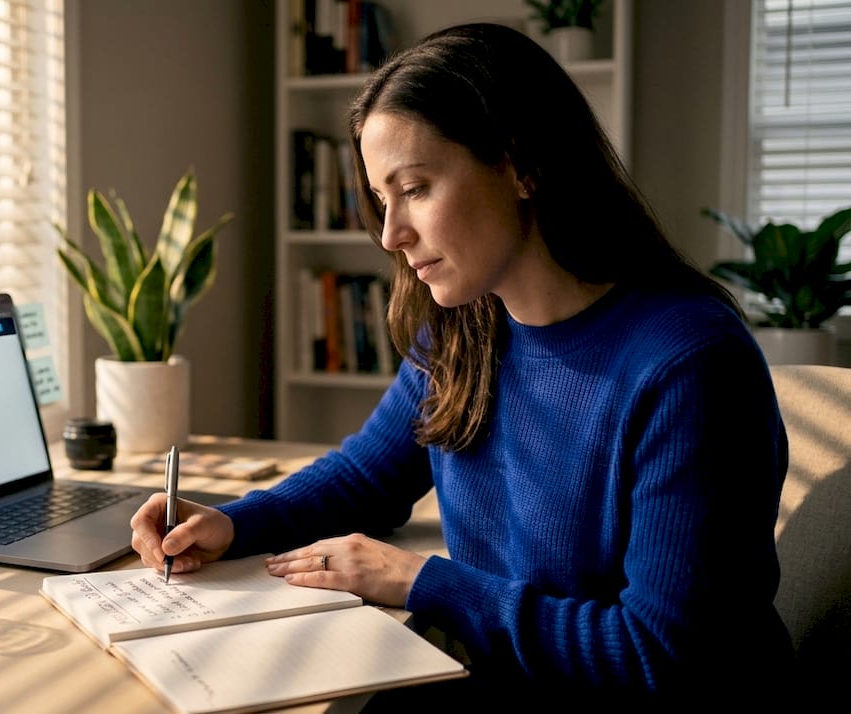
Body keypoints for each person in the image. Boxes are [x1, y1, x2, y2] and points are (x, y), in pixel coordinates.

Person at [131, 23, 792, 701]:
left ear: (522, 166)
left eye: (414, 189)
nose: (391, 234)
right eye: (382, 200)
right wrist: (235, 522)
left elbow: (661, 657)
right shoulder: (464, 329)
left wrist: (421, 580)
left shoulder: (691, 366)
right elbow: (367, 477)